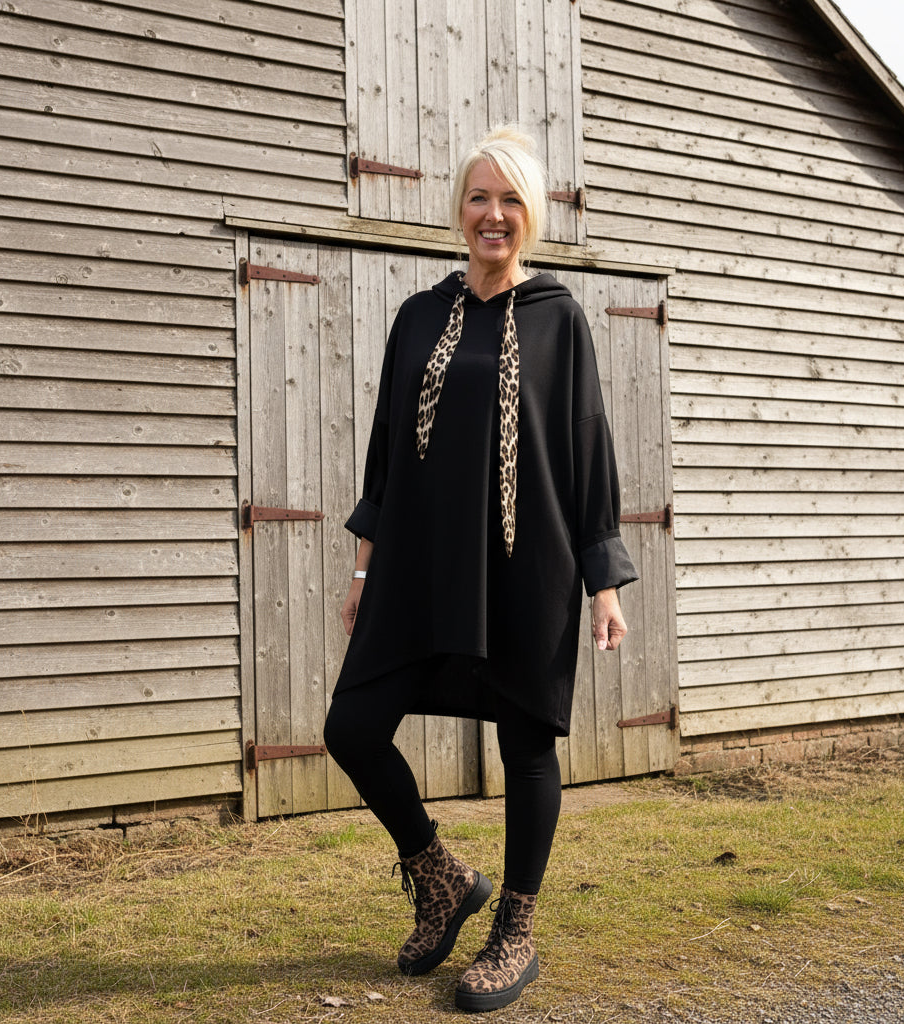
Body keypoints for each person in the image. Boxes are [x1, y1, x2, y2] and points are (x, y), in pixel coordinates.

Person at [323, 125, 636, 1013]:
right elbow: (386, 452)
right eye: (478, 197)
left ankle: (516, 931)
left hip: (523, 563)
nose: (492, 215)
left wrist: (601, 581)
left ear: (529, 214)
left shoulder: (558, 319)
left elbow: (584, 453)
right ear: (458, 210)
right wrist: (361, 574)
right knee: (352, 726)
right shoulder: (417, 316)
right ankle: (439, 876)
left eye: (509, 200)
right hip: (418, 564)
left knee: (524, 741)